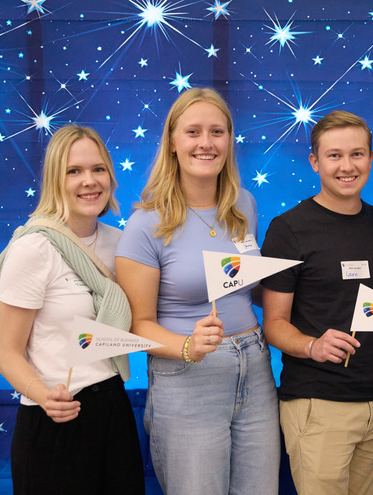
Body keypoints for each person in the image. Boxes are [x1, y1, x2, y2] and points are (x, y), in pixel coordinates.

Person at [115, 87, 279, 494]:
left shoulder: (245, 205)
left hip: (256, 368)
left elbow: (247, 286)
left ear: (229, 141)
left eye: (217, 132)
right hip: (188, 378)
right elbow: (138, 326)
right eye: (193, 132)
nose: (206, 143)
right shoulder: (145, 226)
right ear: (172, 142)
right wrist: (188, 346)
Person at [0, 124, 145, 494]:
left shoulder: (122, 245)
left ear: (111, 176)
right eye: (75, 171)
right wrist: (44, 396)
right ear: (56, 179)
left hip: (113, 409)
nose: (89, 181)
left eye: (98, 169)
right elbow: (9, 354)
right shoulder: (33, 249)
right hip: (55, 416)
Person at [261, 110, 373, 495]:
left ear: (370, 158)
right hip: (317, 404)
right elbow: (274, 324)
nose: (347, 166)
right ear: (315, 161)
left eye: (357, 154)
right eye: (334, 156)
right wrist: (313, 346)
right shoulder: (288, 229)